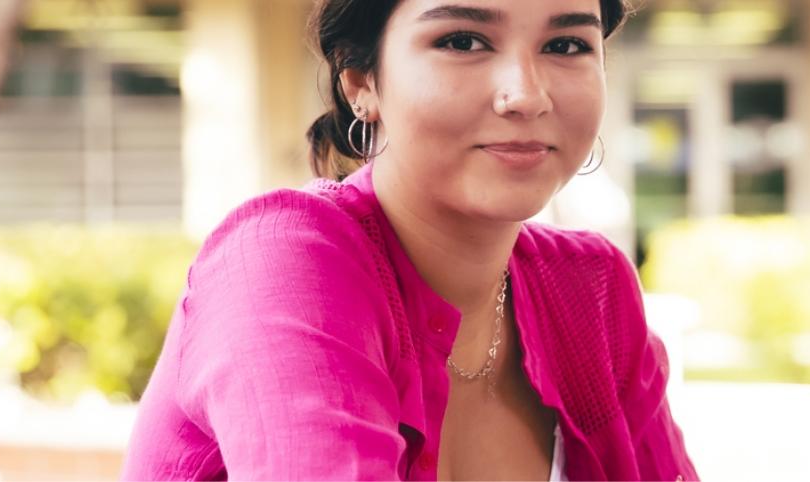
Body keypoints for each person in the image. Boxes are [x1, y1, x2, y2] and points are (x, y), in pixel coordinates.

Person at [121, 0, 698, 479]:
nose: (526, 94)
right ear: (360, 82)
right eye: (464, 41)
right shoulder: (282, 261)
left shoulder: (591, 290)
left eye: (567, 45)